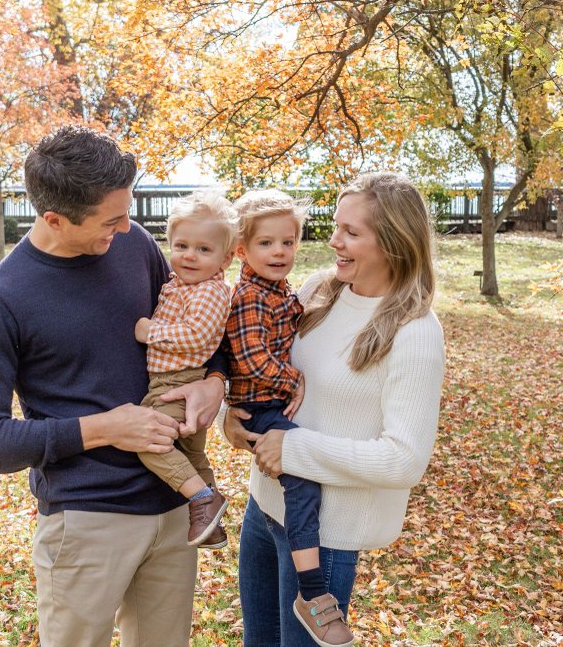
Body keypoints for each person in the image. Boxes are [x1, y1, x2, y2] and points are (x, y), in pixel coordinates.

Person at [0, 126, 227, 647]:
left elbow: (193, 323)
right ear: (55, 218)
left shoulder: (134, 244)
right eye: (110, 220)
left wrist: (215, 379)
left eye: (127, 212)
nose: (126, 228)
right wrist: (104, 429)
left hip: (177, 506)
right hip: (87, 522)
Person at [223, 172, 445, 647]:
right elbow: (253, 352)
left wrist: (293, 449)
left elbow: (404, 461)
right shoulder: (318, 291)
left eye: (351, 232)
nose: (333, 241)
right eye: (335, 226)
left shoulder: (415, 331)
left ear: (392, 242)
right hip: (264, 508)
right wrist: (234, 411)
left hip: (326, 536)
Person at [224, 189, 354, 647]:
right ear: (241, 250)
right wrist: (293, 378)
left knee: (300, 482)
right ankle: (313, 590)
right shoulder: (249, 297)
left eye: (288, 241)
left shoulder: (280, 291)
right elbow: (251, 358)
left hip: (269, 405)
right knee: (302, 484)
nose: (280, 251)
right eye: (266, 243)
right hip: (263, 406)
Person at [134, 191, 237, 548]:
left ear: (226, 258)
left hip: (179, 382)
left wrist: (150, 332)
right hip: (173, 379)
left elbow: (197, 335)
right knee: (192, 453)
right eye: (181, 246)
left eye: (204, 249)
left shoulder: (210, 291)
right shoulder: (179, 284)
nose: (190, 255)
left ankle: (203, 499)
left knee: (150, 442)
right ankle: (211, 526)